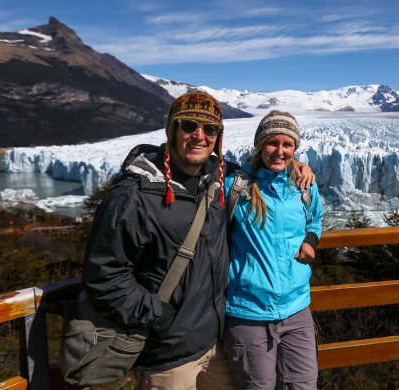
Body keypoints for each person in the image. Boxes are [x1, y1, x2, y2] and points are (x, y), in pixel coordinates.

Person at [81, 91, 314, 390]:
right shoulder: (133, 196)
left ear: (218, 137)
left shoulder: (218, 180)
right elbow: (103, 275)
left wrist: (295, 165)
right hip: (167, 356)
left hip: (215, 346)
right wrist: (156, 316)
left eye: (211, 129)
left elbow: (265, 169)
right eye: (189, 126)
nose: (199, 136)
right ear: (172, 131)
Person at [224, 110, 324, 390]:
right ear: (259, 145)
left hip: (297, 308)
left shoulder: (303, 186)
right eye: (272, 142)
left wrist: (310, 241)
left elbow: (315, 218)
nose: (279, 151)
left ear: (295, 148)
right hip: (248, 311)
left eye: (287, 144)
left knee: (304, 385)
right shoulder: (236, 187)